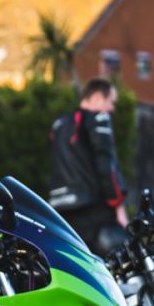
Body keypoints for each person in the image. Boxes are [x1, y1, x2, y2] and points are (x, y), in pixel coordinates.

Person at [47, 77, 128, 255]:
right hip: (92, 208)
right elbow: (106, 165)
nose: (112, 109)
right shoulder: (98, 119)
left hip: (60, 210)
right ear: (98, 97)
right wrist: (118, 205)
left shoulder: (59, 124)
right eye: (111, 102)